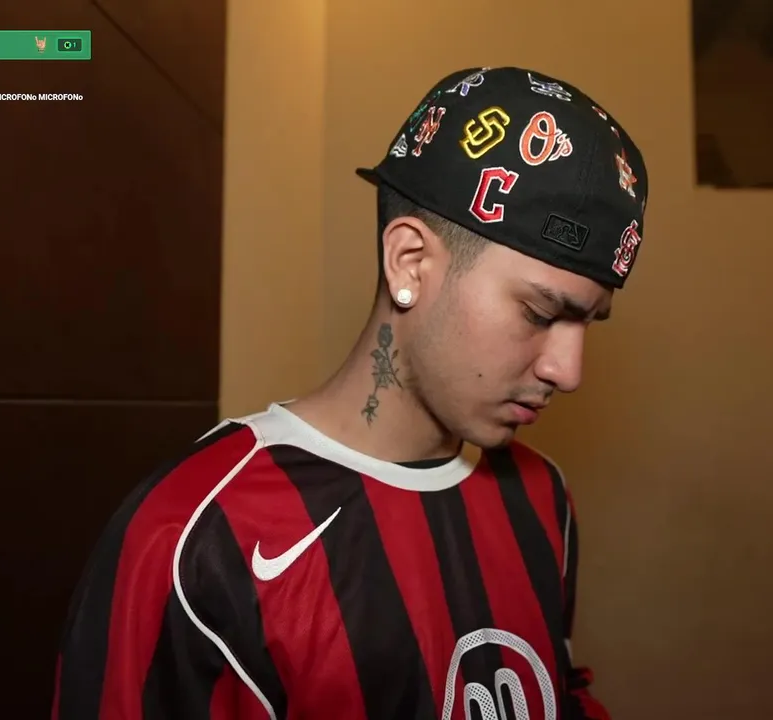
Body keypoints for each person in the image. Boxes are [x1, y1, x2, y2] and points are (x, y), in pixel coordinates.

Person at [52, 65, 648, 720]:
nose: (569, 370)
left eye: (589, 322)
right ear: (410, 262)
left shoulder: (542, 497)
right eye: (539, 313)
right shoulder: (196, 536)